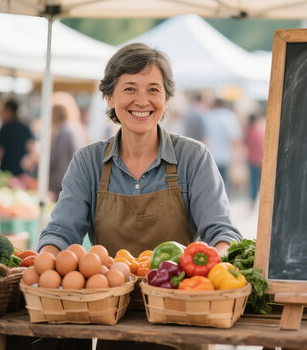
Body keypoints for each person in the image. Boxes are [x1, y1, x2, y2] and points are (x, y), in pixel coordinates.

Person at [38, 43, 242, 259]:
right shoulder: (87, 162)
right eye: (130, 89)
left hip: (176, 289)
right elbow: (61, 232)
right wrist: (44, 261)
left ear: (166, 98)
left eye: (153, 89)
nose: (143, 101)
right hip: (107, 290)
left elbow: (222, 233)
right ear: (109, 97)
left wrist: (216, 260)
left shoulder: (193, 158)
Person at [204, 98, 243, 193]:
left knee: (211, 185)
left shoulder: (208, 116)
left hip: (210, 155)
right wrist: (236, 158)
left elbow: (204, 138)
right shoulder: (229, 116)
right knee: (224, 186)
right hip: (225, 156)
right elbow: (235, 139)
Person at [49, 93, 82, 201]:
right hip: (73, 184)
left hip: (62, 187)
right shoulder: (76, 128)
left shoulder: (64, 131)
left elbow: (61, 161)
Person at [0, 99, 37, 176]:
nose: (1, 113)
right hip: (22, 174)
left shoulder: (4, 128)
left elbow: (0, 152)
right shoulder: (25, 128)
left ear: (9, 111)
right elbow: (32, 150)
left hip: (6, 173)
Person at [245, 113, 265, 207]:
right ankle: (263, 201)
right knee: (262, 182)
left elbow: (245, 144)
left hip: (252, 159)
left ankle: (253, 200)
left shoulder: (248, 131)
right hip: (261, 159)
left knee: (253, 181)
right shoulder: (260, 131)